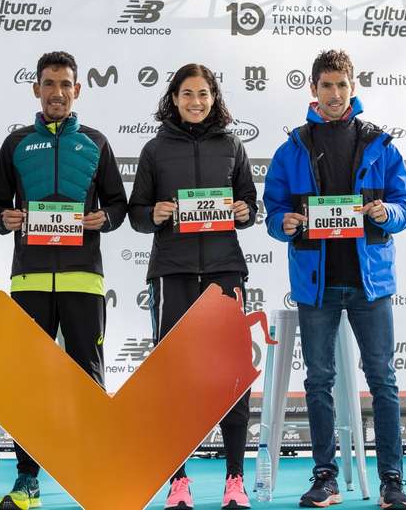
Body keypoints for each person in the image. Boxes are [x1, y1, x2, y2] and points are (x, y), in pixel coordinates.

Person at [263, 49, 406, 510]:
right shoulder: (292, 148)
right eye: (325, 85)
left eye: (341, 85)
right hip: (317, 285)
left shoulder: (381, 144)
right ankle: (324, 477)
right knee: (318, 382)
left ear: (353, 87)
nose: (334, 94)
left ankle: (392, 481)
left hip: (371, 285)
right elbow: (273, 210)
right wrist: (283, 223)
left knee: (383, 380)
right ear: (313, 89)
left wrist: (386, 212)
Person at [0, 51, 127, 510]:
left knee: (88, 378)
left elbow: (119, 207)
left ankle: (99, 472)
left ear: (78, 90)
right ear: (36, 89)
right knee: (30, 382)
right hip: (28, 279)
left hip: (83, 279)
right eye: (49, 83)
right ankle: (28, 481)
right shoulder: (16, 143)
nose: (57, 92)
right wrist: (4, 218)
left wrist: (100, 220)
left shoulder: (97, 142)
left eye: (65, 84)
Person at [128, 64, 258, 510]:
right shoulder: (154, 148)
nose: (196, 102)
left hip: (224, 272)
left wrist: (243, 211)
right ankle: (178, 482)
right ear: (174, 98)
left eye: (203, 94)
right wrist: (156, 214)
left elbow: (250, 207)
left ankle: (235, 479)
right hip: (173, 273)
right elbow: (137, 213)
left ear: (214, 97)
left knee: (231, 377)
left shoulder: (233, 145)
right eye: (187, 94)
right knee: (172, 379)